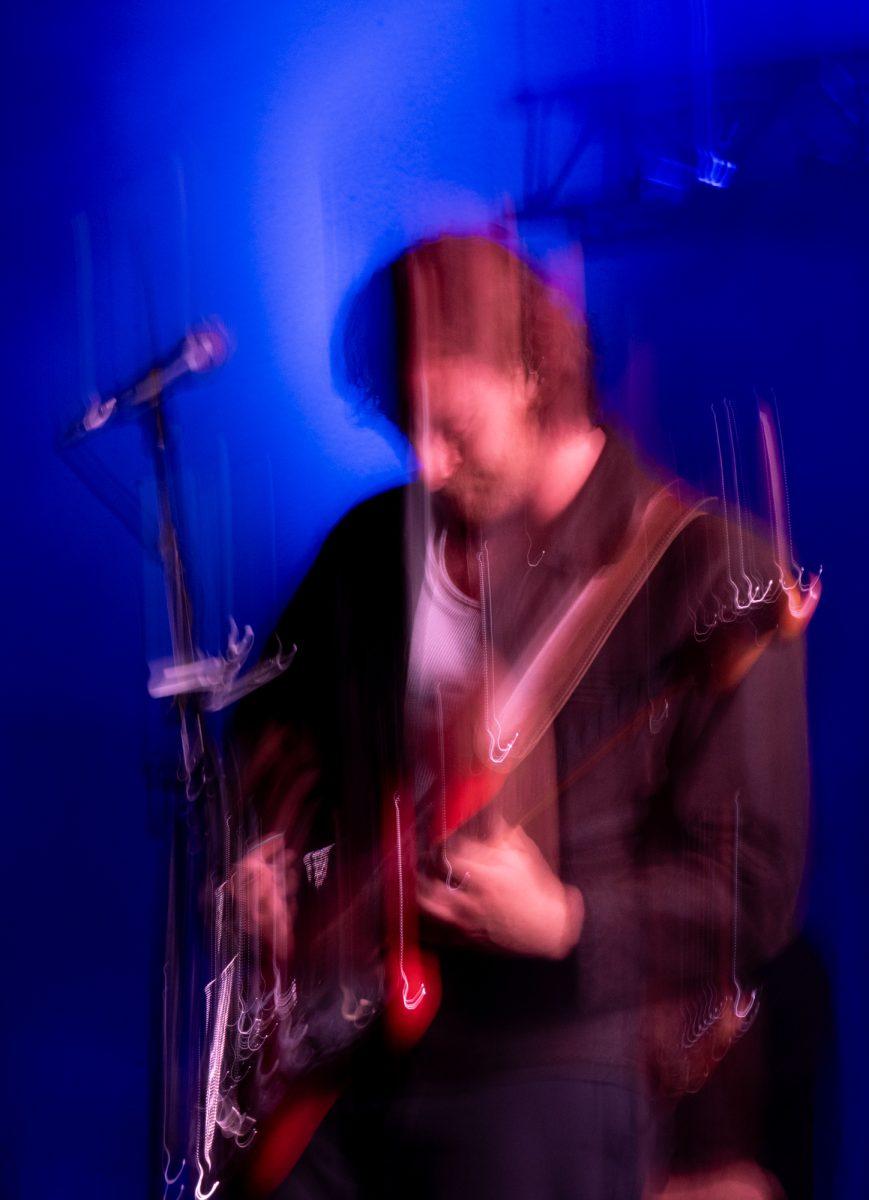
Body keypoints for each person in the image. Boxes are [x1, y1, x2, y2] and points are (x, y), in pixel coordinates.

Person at [228, 234, 811, 1199]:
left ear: (535, 372)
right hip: (346, 1054)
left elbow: (753, 884)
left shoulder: (707, 569)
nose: (424, 459)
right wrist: (270, 853)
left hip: (552, 1061)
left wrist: (569, 919)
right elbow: (266, 732)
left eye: (451, 425)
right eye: (400, 423)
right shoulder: (372, 548)